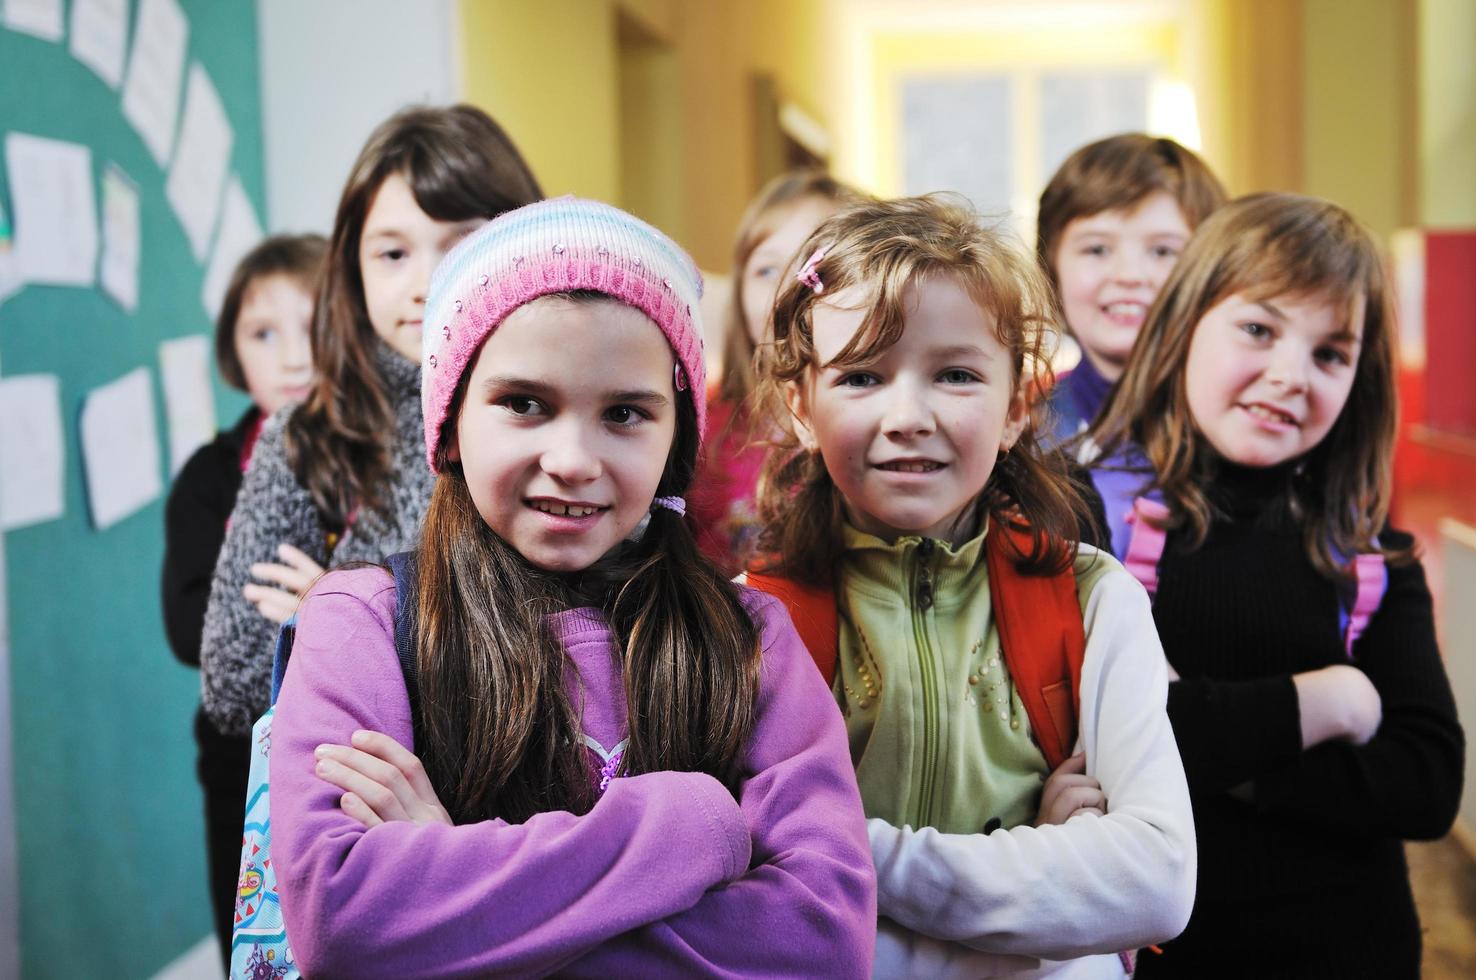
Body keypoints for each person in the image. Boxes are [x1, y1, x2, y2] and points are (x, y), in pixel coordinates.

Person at [268, 197, 877, 976]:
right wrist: (686, 827)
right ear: (450, 417)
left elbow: (822, 943)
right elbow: (345, 926)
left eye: (624, 413)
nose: (574, 460)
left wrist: (457, 891)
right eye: (525, 404)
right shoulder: (364, 623)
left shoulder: (750, 637)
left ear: (674, 439)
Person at [752, 194, 1195, 976]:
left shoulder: (1094, 602)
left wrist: (846, 853)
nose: (909, 414)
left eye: (955, 374)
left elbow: (1158, 883)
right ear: (801, 407)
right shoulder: (748, 622)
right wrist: (1048, 862)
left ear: (1019, 404)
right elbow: (740, 885)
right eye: (861, 377)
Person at [1083, 193, 1464, 977]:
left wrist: (1208, 733)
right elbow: (1077, 745)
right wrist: (1324, 705)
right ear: (1185, 325)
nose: (1291, 376)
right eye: (1259, 329)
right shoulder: (1091, 519)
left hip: (1354, 952)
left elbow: (1426, 783)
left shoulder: (1367, 554)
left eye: (1330, 353)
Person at [200, 105, 542, 738]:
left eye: (460, 243)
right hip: (361, 814)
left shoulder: (555, 420)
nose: (426, 282)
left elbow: (573, 658)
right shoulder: (305, 437)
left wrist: (337, 615)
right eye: (392, 253)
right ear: (353, 269)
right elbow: (233, 678)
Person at [161, 233, 324, 966]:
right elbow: (186, 623)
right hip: (238, 755)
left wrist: (325, 603)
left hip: (351, 746)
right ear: (233, 351)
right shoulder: (210, 475)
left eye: (315, 328)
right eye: (265, 333)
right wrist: (294, 617)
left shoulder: (378, 462)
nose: (294, 356)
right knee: (251, 942)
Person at [691, 170, 863, 572]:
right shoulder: (697, 426)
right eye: (767, 271)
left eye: (817, 267)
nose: (789, 288)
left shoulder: (878, 424)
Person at [1037, 134, 1225, 445]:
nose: (1129, 275)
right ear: (1051, 270)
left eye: (1163, 251)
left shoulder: (1241, 434)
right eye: (1097, 249)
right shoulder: (1014, 434)